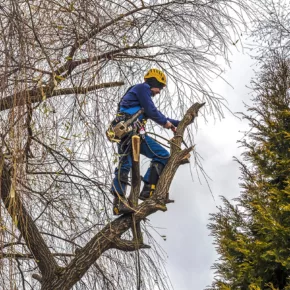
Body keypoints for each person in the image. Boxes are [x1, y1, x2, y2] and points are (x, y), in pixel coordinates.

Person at [111, 68, 179, 215]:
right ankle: (119, 204)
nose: (159, 91)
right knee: (125, 164)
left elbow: (155, 112)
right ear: (154, 82)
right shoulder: (142, 88)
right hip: (127, 131)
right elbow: (151, 110)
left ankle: (148, 190)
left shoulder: (142, 95)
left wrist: (177, 123)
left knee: (162, 155)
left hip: (136, 134)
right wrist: (166, 124)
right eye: (160, 87)